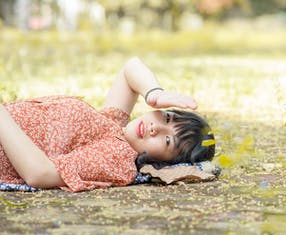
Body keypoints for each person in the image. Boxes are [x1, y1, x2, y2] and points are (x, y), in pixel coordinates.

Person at [0, 57, 215, 192]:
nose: (154, 128)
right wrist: (155, 94)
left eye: (167, 140)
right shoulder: (114, 124)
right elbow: (131, 68)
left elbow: (39, 173)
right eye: (167, 118)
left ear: (165, 163)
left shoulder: (118, 158)